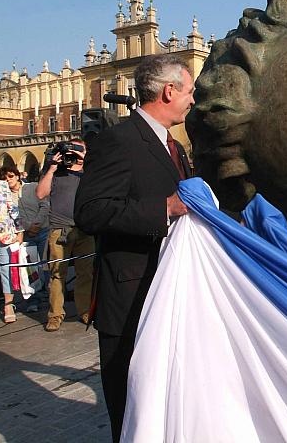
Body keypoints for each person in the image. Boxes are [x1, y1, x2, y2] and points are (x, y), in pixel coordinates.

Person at [75, 54, 192, 442]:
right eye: (189, 91)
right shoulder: (118, 139)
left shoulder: (175, 148)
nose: (193, 100)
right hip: (130, 301)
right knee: (131, 410)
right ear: (168, 91)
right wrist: (165, 209)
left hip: (170, 295)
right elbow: (90, 212)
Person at [36, 139, 95, 331]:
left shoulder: (90, 171)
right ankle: (54, 315)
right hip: (59, 230)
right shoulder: (57, 171)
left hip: (85, 229)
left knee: (85, 274)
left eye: (78, 150)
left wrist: (85, 158)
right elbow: (40, 194)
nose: (74, 154)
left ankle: (85, 311)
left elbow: (99, 181)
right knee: (57, 274)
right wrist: (52, 168)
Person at [15, 164, 50, 312]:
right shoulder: (6, 195)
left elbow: (45, 205)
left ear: (17, 176)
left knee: (46, 265)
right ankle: (33, 300)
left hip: (43, 231)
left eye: (11, 176)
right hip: (26, 234)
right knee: (30, 269)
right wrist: (29, 226)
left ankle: (49, 297)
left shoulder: (33, 186)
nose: (8, 180)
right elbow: (13, 216)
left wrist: (37, 223)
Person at [0, 164, 24, 323]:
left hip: (3, 234)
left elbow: (13, 209)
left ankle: (8, 305)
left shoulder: (1, 185)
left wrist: (20, 230)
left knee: (6, 269)